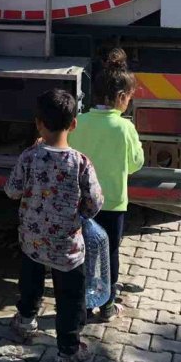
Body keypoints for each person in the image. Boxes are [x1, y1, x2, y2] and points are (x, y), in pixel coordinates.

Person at [4, 89, 104, 362]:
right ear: (73, 124)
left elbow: (12, 190)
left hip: (32, 240)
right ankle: (69, 349)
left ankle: (24, 322)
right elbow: (95, 202)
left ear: (38, 123)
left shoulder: (29, 157)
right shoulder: (81, 162)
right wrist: (80, 215)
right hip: (68, 245)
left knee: (30, 283)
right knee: (70, 298)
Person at [70, 49, 145, 321]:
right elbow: (136, 162)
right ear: (122, 98)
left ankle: (85, 304)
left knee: (84, 252)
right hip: (113, 203)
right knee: (109, 252)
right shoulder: (125, 128)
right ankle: (108, 304)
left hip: (82, 204)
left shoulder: (80, 123)